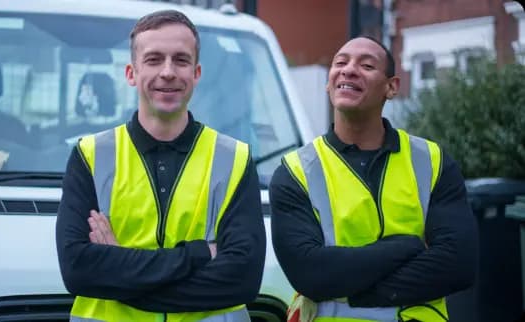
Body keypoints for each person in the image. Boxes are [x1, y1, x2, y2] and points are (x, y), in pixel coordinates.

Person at [56, 10, 265, 322]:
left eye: (180, 60)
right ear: (131, 73)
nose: (168, 72)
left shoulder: (234, 159)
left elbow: (243, 280)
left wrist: (118, 269)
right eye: (154, 59)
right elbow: (77, 270)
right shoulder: (90, 156)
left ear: (196, 73)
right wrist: (198, 254)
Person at [269, 36, 478, 322]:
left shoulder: (432, 161)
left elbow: (459, 265)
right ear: (329, 83)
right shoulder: (295, 172)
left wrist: (357, 292)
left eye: (366, 65)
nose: (349, 69)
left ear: (391, 87)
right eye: (340, 63)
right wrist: (409, 246)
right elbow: (310, 274)